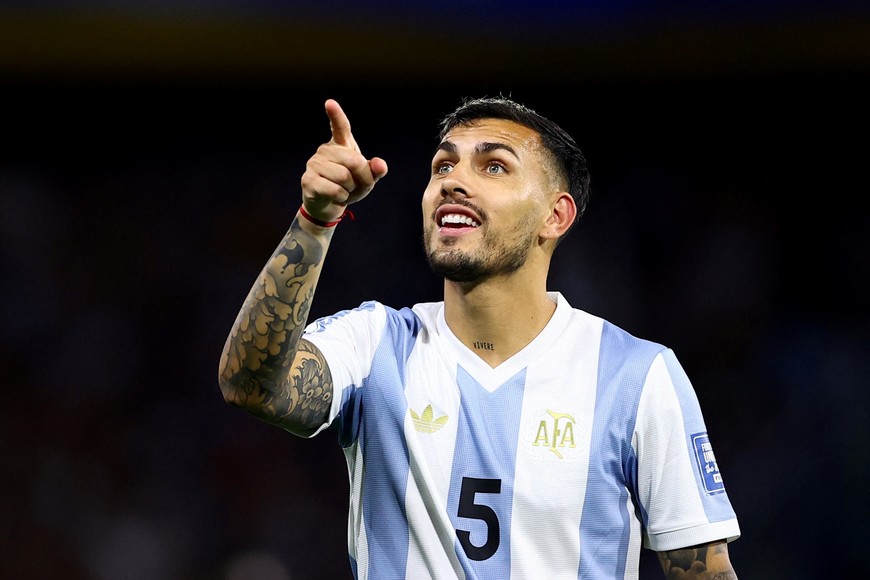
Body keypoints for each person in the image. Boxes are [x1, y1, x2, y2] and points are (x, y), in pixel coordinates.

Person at [218, 96, 740, 579]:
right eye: (444, 165)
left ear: (555, 216)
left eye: (493, 166)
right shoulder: (375, 343)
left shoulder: (637, 376)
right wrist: (315, 221)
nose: (453, 180)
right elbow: (251, 386)